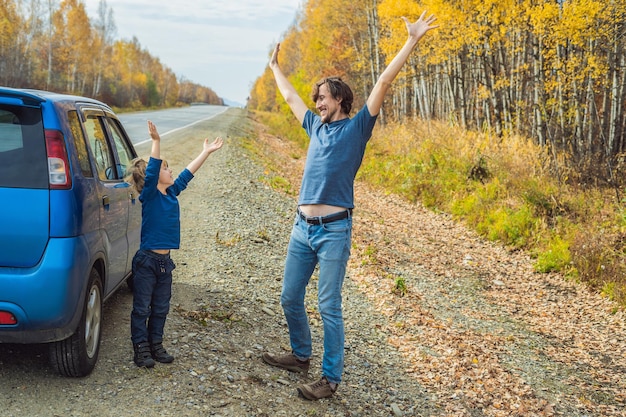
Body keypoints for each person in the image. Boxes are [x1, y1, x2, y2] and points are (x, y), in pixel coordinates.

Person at [261, 11, 438, 400]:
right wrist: (274, 67)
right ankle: (300, 354)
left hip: (334, 230)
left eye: (322, 97)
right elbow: (290, 97)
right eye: (316, 100)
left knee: (329, 306)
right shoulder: (314, 126)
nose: (316, 103)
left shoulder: (357, 128)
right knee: (289, 297)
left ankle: (330, 379)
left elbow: (384, 80)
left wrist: (411, 40)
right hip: (301, 228)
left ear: (339, 99)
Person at [126, 120, 223, 368]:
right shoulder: (150, 195)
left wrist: (205, 152)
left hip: (164, 263)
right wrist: (156, 141)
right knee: (141, 309)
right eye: (166, 169)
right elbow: (153, 170)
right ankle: (141, 348)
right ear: (154, 176)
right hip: (147, 261)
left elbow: (188, 174)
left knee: (160, 308)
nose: (171, 172)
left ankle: (156, 345)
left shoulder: (170, 193)